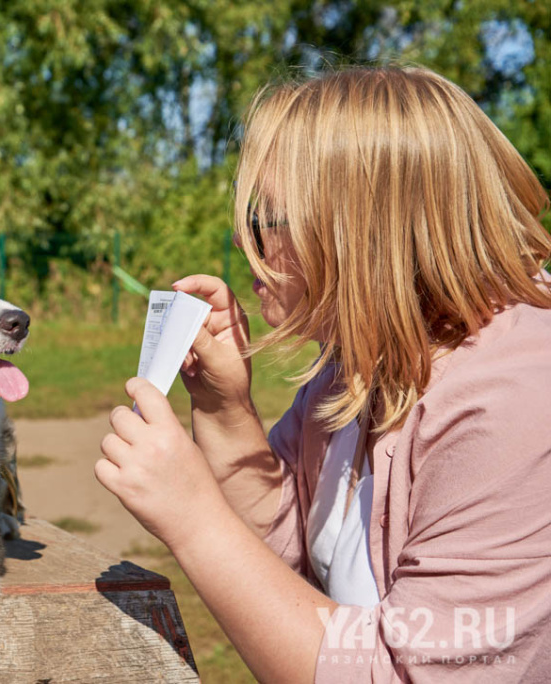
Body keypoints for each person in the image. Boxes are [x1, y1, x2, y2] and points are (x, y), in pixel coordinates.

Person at [96, 66, 551, 683]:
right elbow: (291, 550)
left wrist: (194, 520)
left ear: (364, 229)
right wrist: (225, 410)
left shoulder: (518, 401)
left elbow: (398, 674)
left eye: (266, 220)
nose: (242, 238)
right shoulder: (361, 363)